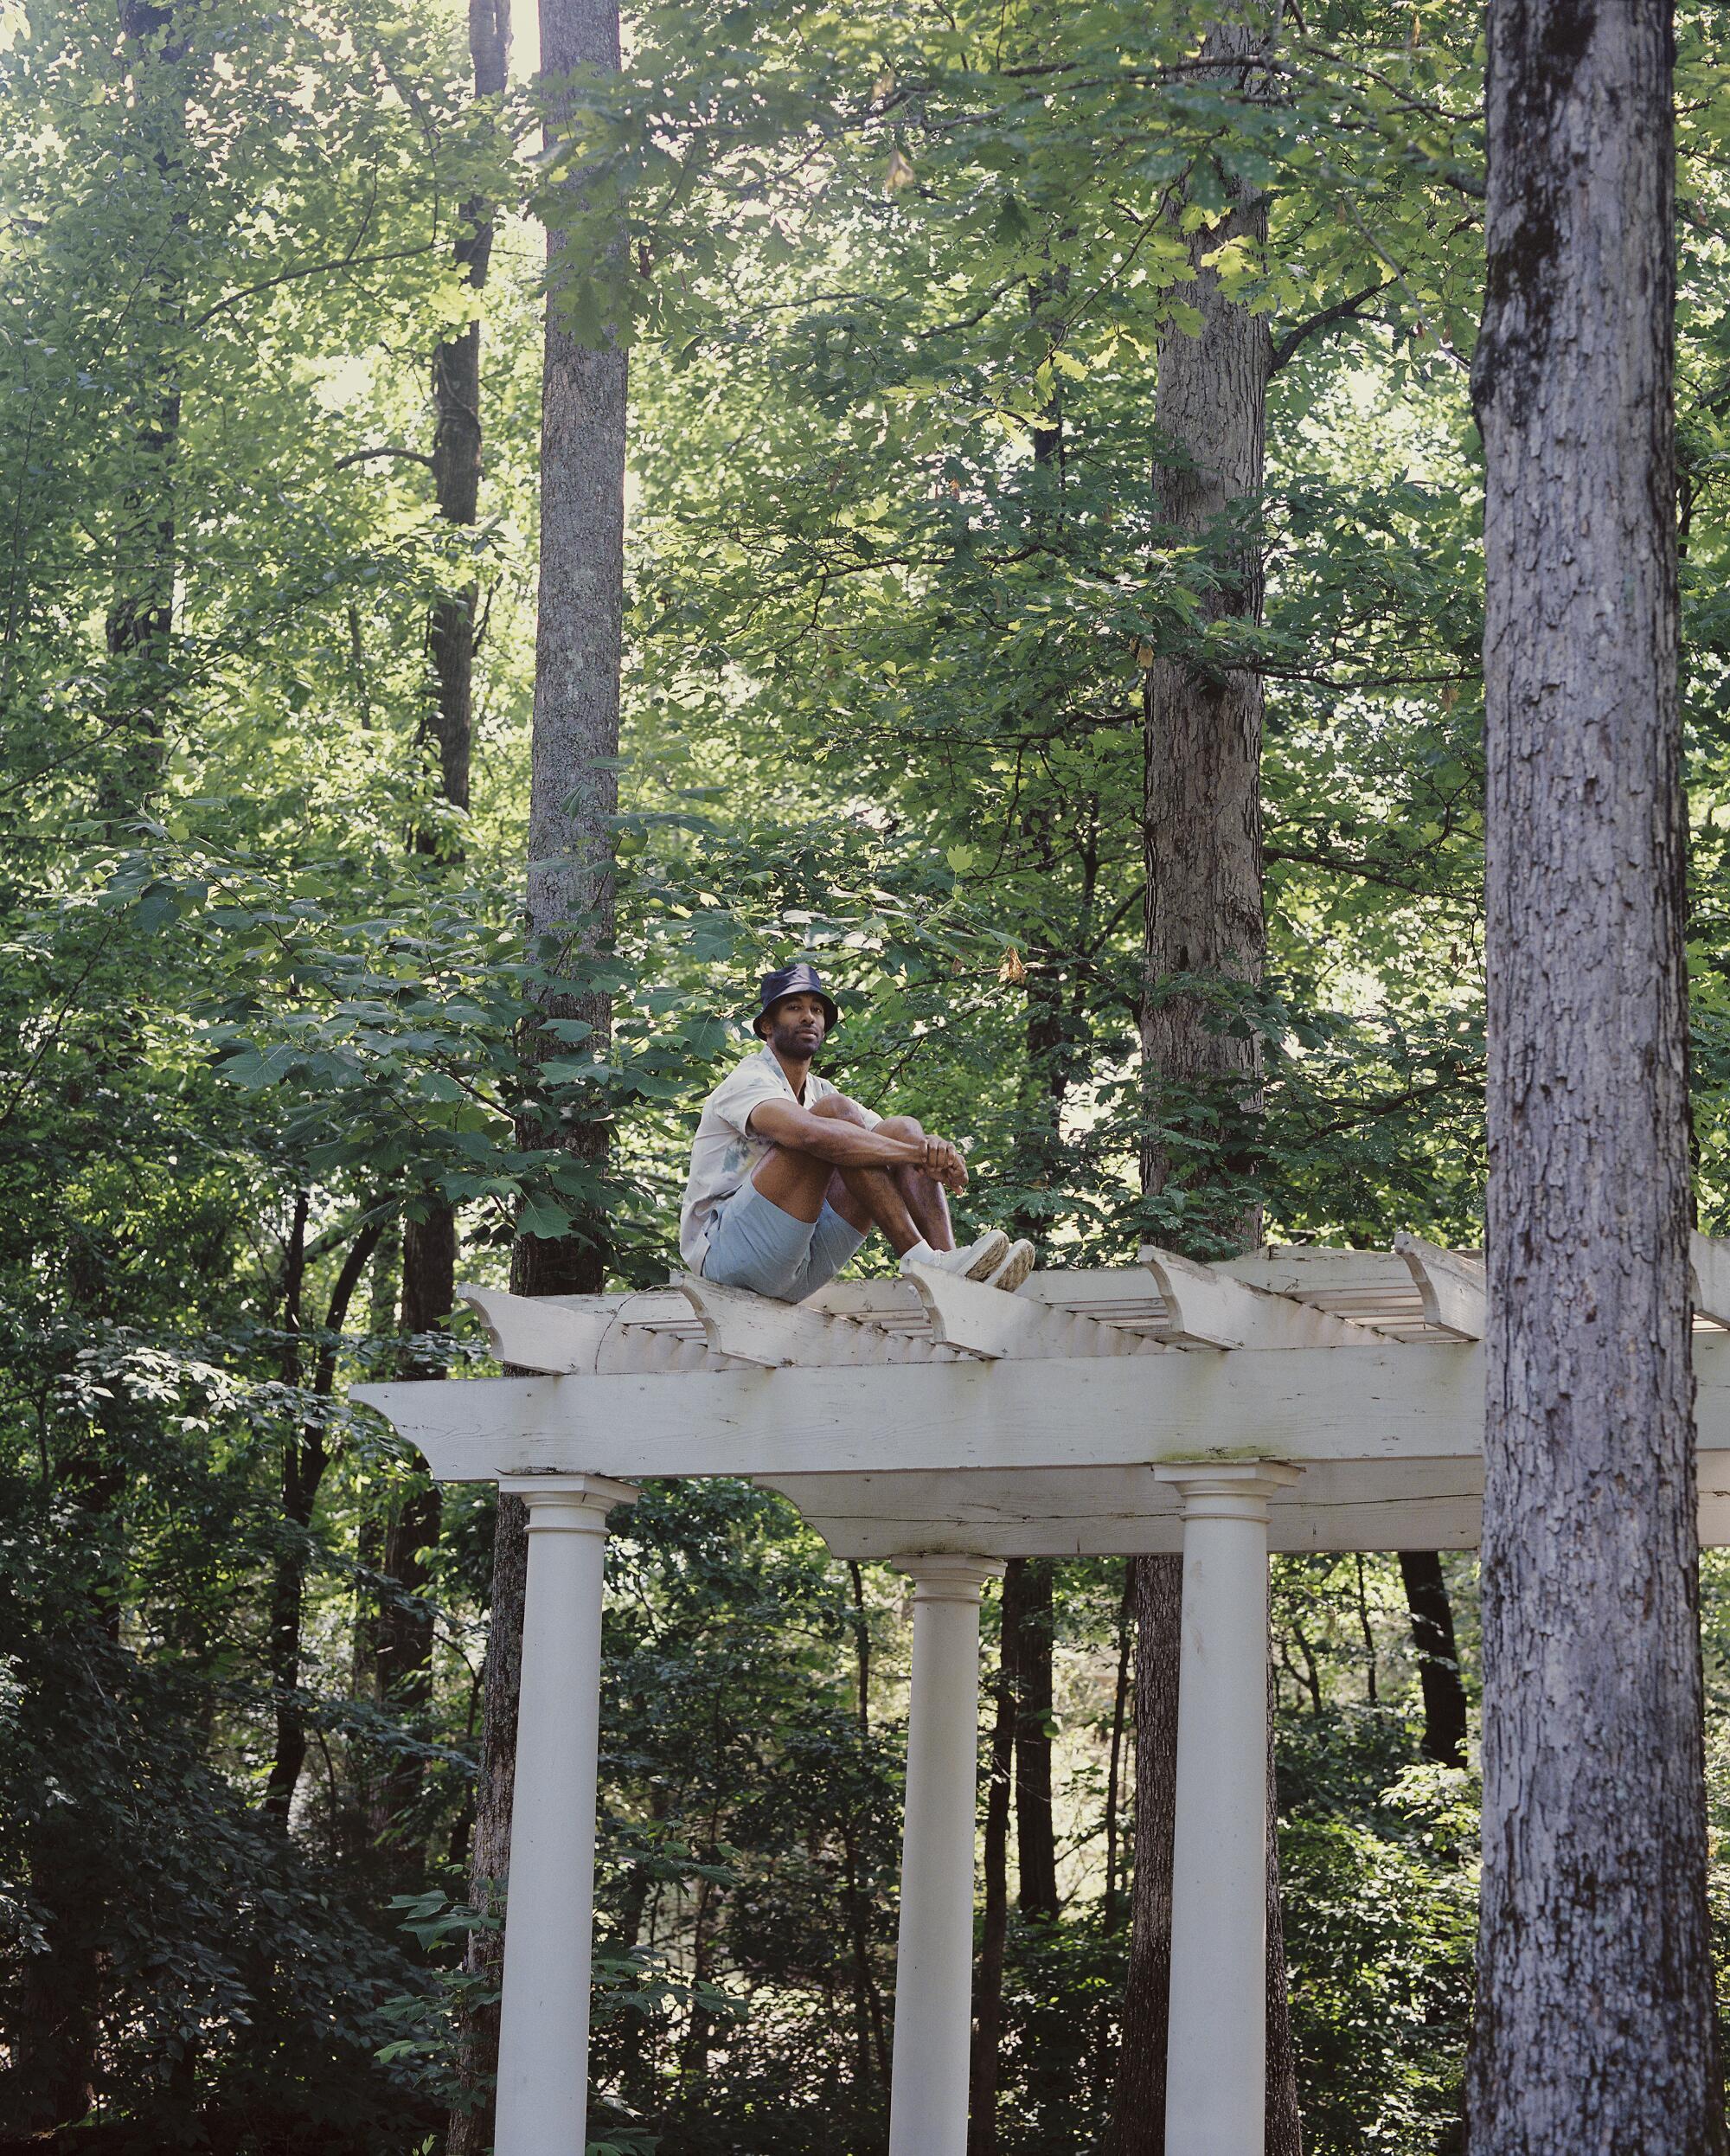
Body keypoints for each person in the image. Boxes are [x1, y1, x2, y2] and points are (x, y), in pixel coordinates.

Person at [679, 960, 1035, 1306]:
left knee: (903, 1128)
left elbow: (891, 1139)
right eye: (793, 1007)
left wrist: (931, 1148)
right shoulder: (748, 1081)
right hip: (730, 1256)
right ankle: (921, 1260)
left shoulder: (819, 1089)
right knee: (839, 1117)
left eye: (817, 1010)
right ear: (767, 1027)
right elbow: (810, 1135)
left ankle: (948, 1268)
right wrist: (918, 1155)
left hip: (800, 1265)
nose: (809, 1016)